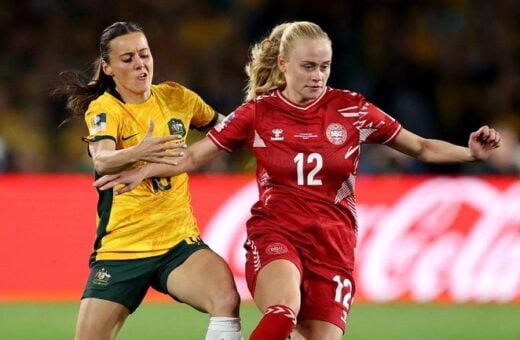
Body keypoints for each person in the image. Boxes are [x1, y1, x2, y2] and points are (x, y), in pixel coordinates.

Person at [94, 21, 501, 340]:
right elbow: (195, 156)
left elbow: (423, 148)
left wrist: (470, 153)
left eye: (324, 66)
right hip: (277, 232)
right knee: (281, 311)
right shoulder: (256, 113)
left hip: (333, 244)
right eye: (308, 66)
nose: (317, 76)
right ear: (284, 65)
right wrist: (146, 168)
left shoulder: (353, 110)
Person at [54, 21, 243, 340]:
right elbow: (102, 158)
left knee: (226, 298)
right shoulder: (106, 109)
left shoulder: (176, 98)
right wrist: (140, 150)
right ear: (109, 68)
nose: (140, 64)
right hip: (122, 250)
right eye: (127, 59)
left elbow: (227, 132)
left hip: (177, 243)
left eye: (144, 54)